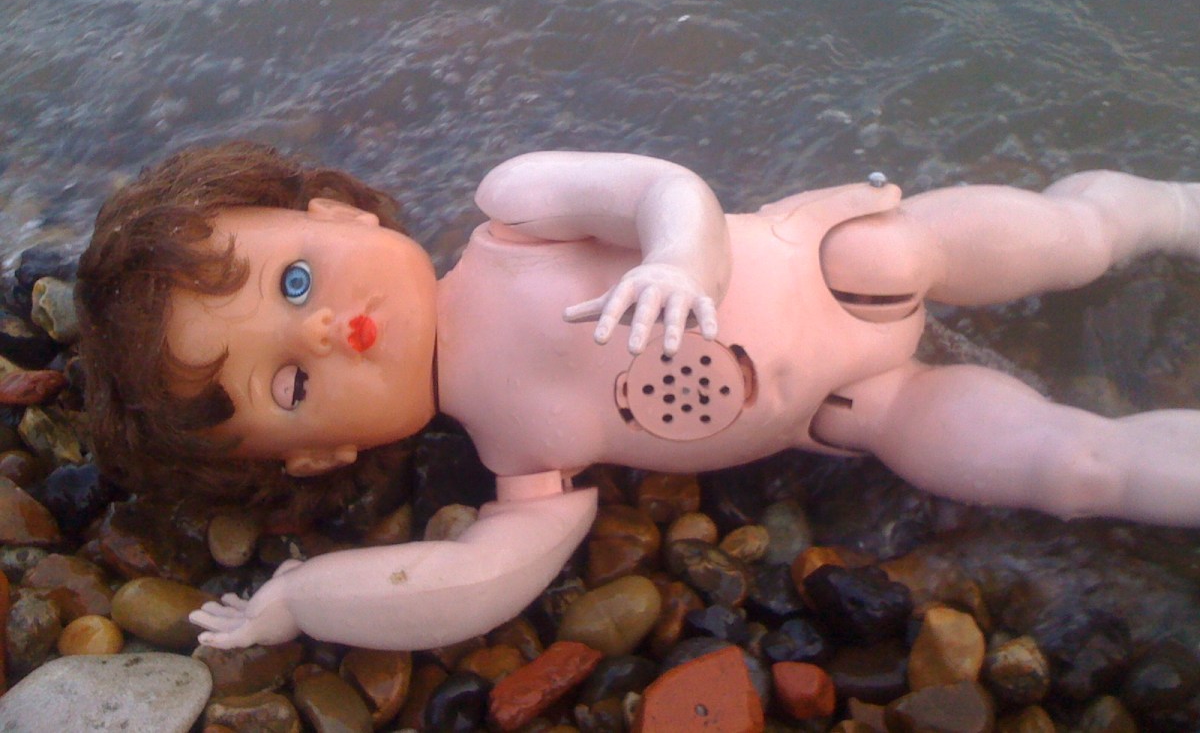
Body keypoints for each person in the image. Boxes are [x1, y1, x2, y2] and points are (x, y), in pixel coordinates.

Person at [75, 142, 1200, 650]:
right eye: (292, 380)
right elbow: (474, 582)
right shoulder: (526, 463)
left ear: (336, 212)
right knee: (1074, 469)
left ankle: (1174, 207)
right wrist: (301, 601)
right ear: (317, 455)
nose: (324, 328)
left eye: (295, 280)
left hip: (867, 256)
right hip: (866, 406)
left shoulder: (513, 209)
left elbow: (661, 188)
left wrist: (679, 261)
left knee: (1081, 235)